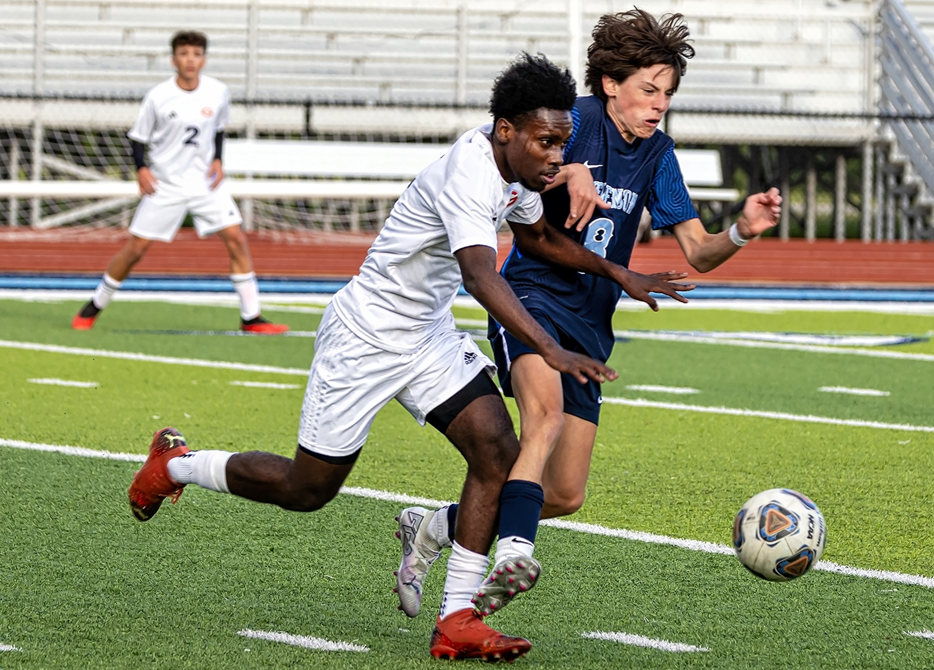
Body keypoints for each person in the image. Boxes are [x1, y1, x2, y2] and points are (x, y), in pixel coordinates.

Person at [126, 54, 688, 662]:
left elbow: (536, 238)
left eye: (562, 144)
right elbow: (479, 274)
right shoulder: (470, 172)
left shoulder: (519, 172)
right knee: (306, 489)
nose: (558, 158)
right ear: (506, 131)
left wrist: (616, 271)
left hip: (427, 336)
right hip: (364, 337)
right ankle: (176, 465)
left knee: (497, 451)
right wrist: (549, 346)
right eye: (548, 143)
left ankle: (457, 619)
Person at [395, 9, 781, 619]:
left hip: (592, 322)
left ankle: (437, 526)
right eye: (648, 90)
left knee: (567, 492)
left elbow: (700, 252)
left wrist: (742, 229)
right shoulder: (570, 119)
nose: (659, 105)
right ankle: (512, 554)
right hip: (531, 298)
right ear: (610, 84)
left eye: (669, 94)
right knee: (541, 420)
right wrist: (568, 166)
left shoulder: (658, 154)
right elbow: (504, 152)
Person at [71, 30, 287, 334]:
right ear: (174, 59)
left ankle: (251, 318)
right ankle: (93, 306)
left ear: (204, 60)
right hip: (166, 185)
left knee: (236, 238)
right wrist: (141, 169)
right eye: (184, 54)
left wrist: (217, 161)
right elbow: (137, 138)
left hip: (205, 184)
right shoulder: (158, 96)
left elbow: (219, 129)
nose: (191, 60)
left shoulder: (218, 91)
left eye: (197, 54)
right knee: (136, 249)